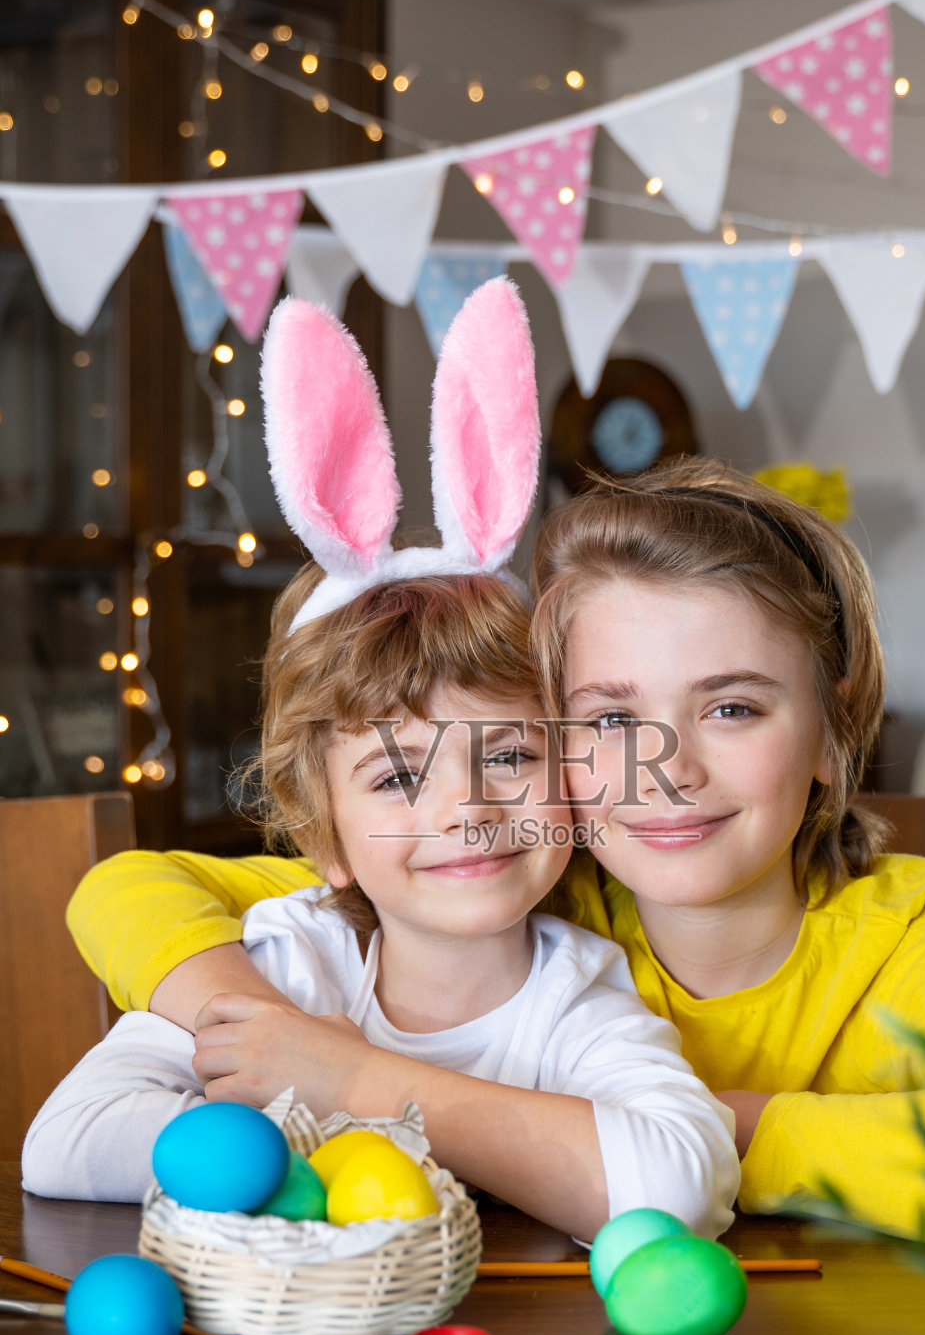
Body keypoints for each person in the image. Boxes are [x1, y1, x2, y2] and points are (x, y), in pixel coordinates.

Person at [63, 420, 925, 1252]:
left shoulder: (917, 941)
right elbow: (128, 890)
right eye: (608, 722)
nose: (670, 767)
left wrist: (732, 1131)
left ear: (831, 730)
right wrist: (273, 1037)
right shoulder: (515, 899)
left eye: (731, 708)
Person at [22, 282, 739, 1245]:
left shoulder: (576, 998)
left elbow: (682, 1183)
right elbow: (63, 1142)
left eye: (511, 755)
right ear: (328, 838)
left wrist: (349, 1084)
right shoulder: (287, 961)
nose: (467, 809)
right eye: (399, 777)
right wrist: (300, 1148)